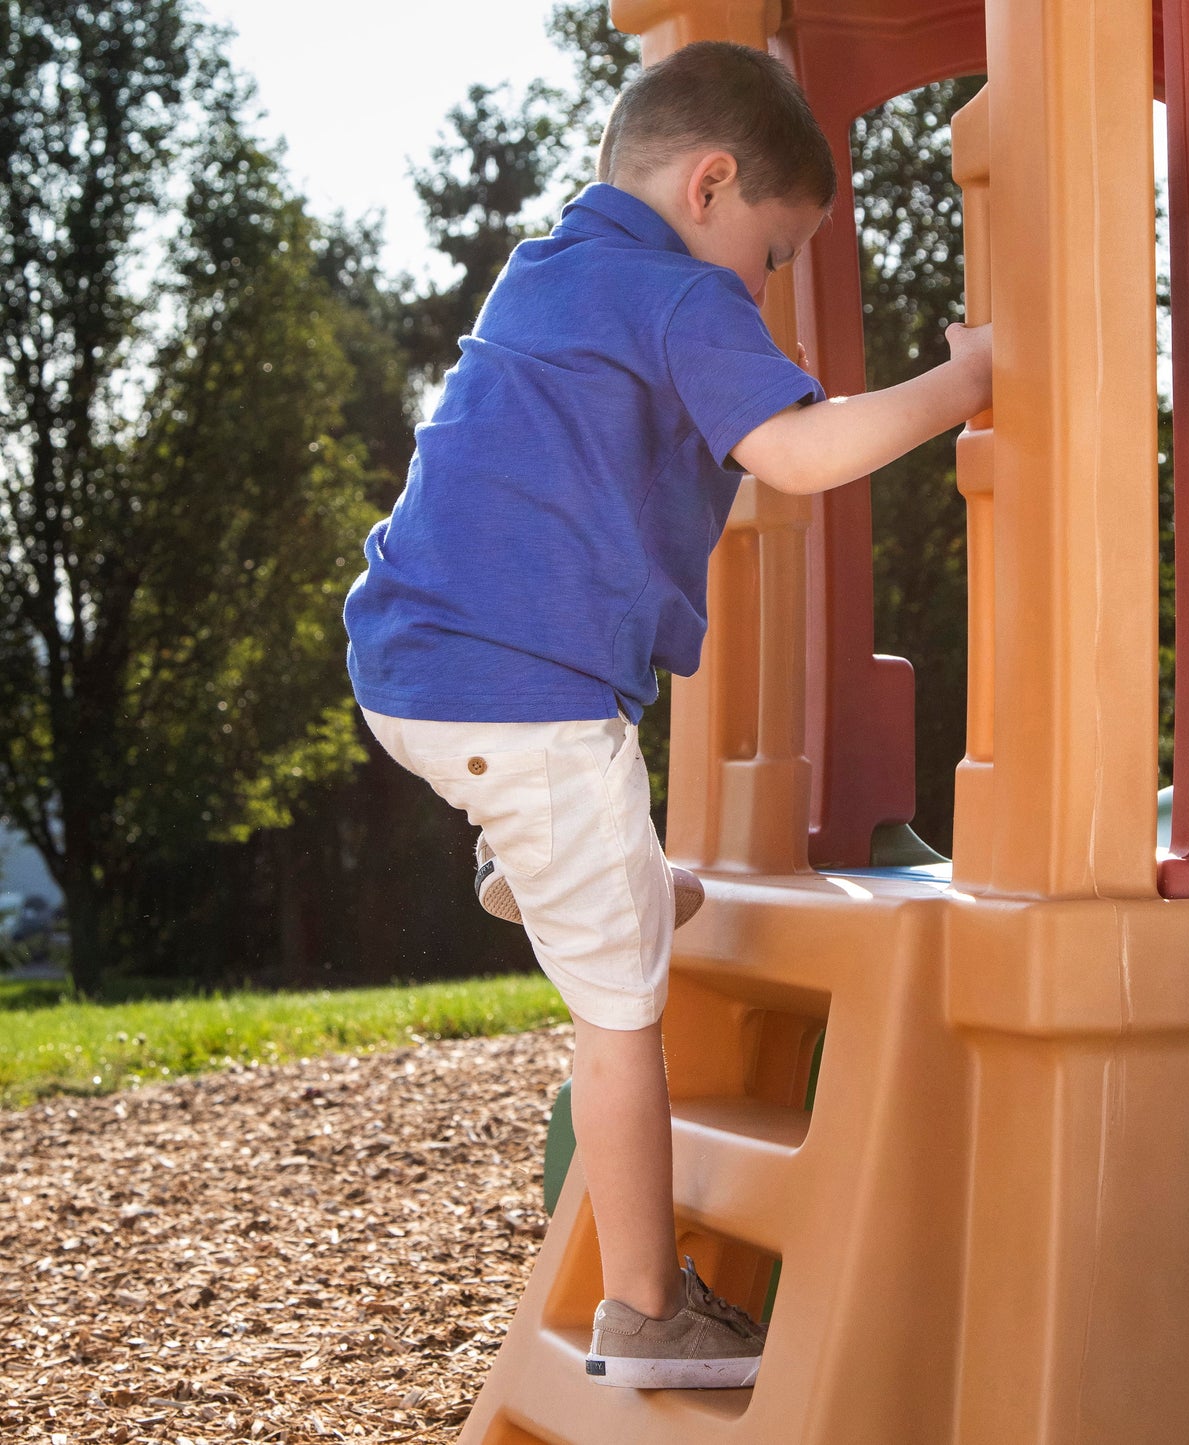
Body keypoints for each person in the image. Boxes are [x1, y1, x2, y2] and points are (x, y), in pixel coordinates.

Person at [343, 39, 992, 1390]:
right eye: (769, 251)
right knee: (620, 1013)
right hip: (521, 701)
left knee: (604, 867)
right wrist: (966, 382)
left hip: (410, 663)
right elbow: (799, 456)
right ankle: (646, 1309)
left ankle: (544, 861)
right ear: (708, 187)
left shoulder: (554, 265)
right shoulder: (684, 301)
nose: (760, 288)